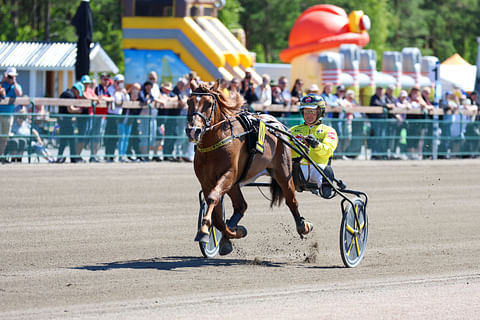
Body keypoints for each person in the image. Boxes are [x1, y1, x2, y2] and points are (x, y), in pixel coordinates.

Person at [289, 94, 338, 198]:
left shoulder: (328, 131)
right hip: (297, 170)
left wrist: (316, 144)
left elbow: (328, 150)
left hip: (318, 169)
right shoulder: (293, 130)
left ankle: (324, 187)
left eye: (312, 112)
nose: (308, 115)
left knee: (323, 169)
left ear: (320, 112)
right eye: (306, 112)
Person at [56, 82, 84, 163]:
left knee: (63, 141)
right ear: (76, 90)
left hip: (62, 120)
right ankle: (73, 158)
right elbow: (70, 109)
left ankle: (60, 157)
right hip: (66, 121)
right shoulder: (70, 95)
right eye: (78, 92)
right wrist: (80, 110)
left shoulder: (65, 93)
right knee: (72, 140)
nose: (78, 94)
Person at [1, 67, 23, 164]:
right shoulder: (2, 84)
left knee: (5, 137)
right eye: (9, 76)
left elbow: (19, 93)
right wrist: (2, 81)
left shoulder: (16, 86)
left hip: (9, 115)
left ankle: (1, 156)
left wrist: (14, 82)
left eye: (13, 76)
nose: (11, 78)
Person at [104, 74, 128, 162]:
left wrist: (124, 93)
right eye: (118, 82)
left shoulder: (122, 91)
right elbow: (110, 98)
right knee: (110, 135)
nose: (119, 84)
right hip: (111, 115)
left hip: (119, 115)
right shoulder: (110, 89)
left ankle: (112, 154)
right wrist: (116, 91)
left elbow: (126, 101)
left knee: (116, 136)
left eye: (121, 82)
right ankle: (108, 154)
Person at [91, 73, 114, 162]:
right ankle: (93, 155)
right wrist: (104, 98)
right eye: (104, 79)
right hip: (97, 115)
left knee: (99, 136)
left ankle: (95, 155)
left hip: (103, 116)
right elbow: (98, 97)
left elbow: (111, 98)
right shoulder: (98, 88)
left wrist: (105, 98)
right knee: (96, 136)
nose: (106, 81)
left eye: (107, 79)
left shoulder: (106, 89)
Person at [368, 86, 389, 159]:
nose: (380, 91)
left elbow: (390, 104)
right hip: (375, 121)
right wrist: (386, 106)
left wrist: (387, 105)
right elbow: (377, 104)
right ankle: (374, 154)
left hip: (383, 120)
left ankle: (381, 154)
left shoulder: (385, 97)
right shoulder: (373, 97)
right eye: (379, 90)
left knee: (382, 137)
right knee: (376, 137)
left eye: (381, 90)